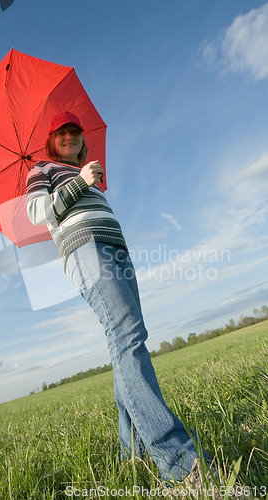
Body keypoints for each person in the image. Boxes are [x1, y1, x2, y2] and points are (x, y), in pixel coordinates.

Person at [26, 111, 209, 484]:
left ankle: (133, 454)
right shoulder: (41, 170)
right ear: (51, 139)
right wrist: (80, 182)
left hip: (115, 250)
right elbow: (36, 213)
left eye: (75, 131)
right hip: (85, 250)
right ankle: (178, 461)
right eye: (62, 132)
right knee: (128, 337)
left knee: (123, 341)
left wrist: (87, 183)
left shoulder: (87, 176)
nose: (70, 136)